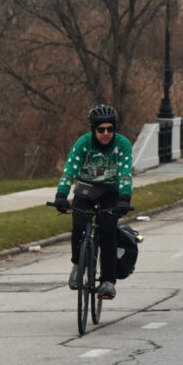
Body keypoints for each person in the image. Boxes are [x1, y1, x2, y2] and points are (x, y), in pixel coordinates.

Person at [53, 104, 134, 300]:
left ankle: (107, 281)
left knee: (107, 231)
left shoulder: (122, 144)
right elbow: (69, 171)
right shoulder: (83, 143)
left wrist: (124, 199)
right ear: (93, 129)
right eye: (101, 130)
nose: (106, 133)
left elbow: (125, 175)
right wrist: (61, 195)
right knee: (79, 224)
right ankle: (77, 264)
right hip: (86, 190)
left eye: (110, 129)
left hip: (111, 192)